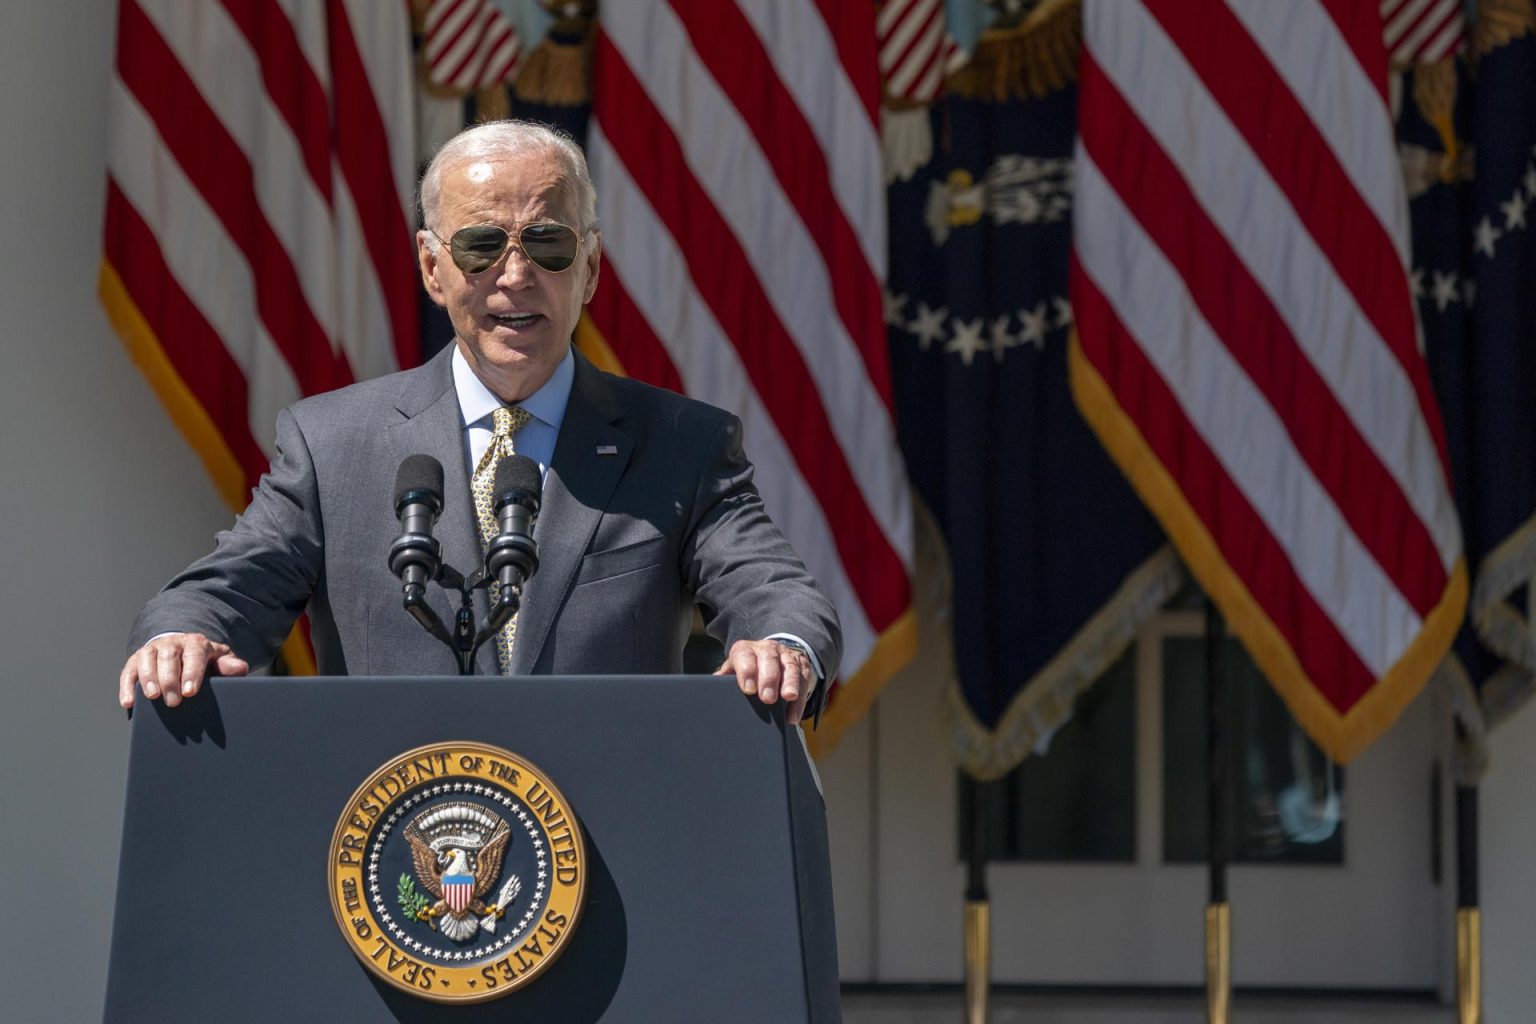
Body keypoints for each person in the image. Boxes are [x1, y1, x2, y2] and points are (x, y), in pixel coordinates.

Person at [119, 120, 840, 725]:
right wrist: (186, 635)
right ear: (433, 268)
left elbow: (773, 590)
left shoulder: (681, 444)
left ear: (589, 268)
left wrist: (780, 646)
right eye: (481, 246)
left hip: (602, 858)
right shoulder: (334, 445)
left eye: (548, 244)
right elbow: (225, 590)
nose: (516, 275)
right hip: (394, 849)